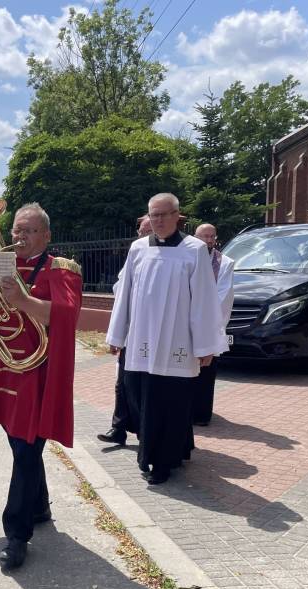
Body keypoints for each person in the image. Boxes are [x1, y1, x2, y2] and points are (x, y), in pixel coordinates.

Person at [0, 202, 82, 569]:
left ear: (46, 235)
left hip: (37, 374)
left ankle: (17, 534)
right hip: (4, 369)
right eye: (17, 229)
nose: (20, 237)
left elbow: (65, 315)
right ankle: (40, 505)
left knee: (27, 449)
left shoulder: (60, 269)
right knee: (22, 447)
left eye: (29, 231)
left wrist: (23, 300)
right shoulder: (0, 263)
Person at [106, 193, 227, 485]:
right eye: (154, 215)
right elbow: (124, 294)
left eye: (163, 214)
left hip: (177, 342)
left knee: (171, 402)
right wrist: (117, 335)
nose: (158, 220)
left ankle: (163, 461)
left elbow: (203, 300)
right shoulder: (138, 249)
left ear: (177, 216)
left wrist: (205, 346)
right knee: (140, 397)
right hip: (141, 341)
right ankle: (151, 451)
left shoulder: (194, 249)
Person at [97, 215, 152, 446]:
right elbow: (119, 288)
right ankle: (118, 429)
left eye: (147, 232)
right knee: (123, 384)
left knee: (141, 387)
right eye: (141, 232)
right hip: (131, 332)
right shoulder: (136, 253)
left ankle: (144, 432)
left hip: (152, 335)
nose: (142, 236)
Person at [192, 223, 234, 426]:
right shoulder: (188, 258)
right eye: (204, 236)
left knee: (205, 371)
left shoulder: (224, 263)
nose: (208, 240)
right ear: (195, 237)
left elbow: (222, 296)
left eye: (211, 236)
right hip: (186, 323)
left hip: (209, 324)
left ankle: (201, 415)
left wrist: (201, 316)